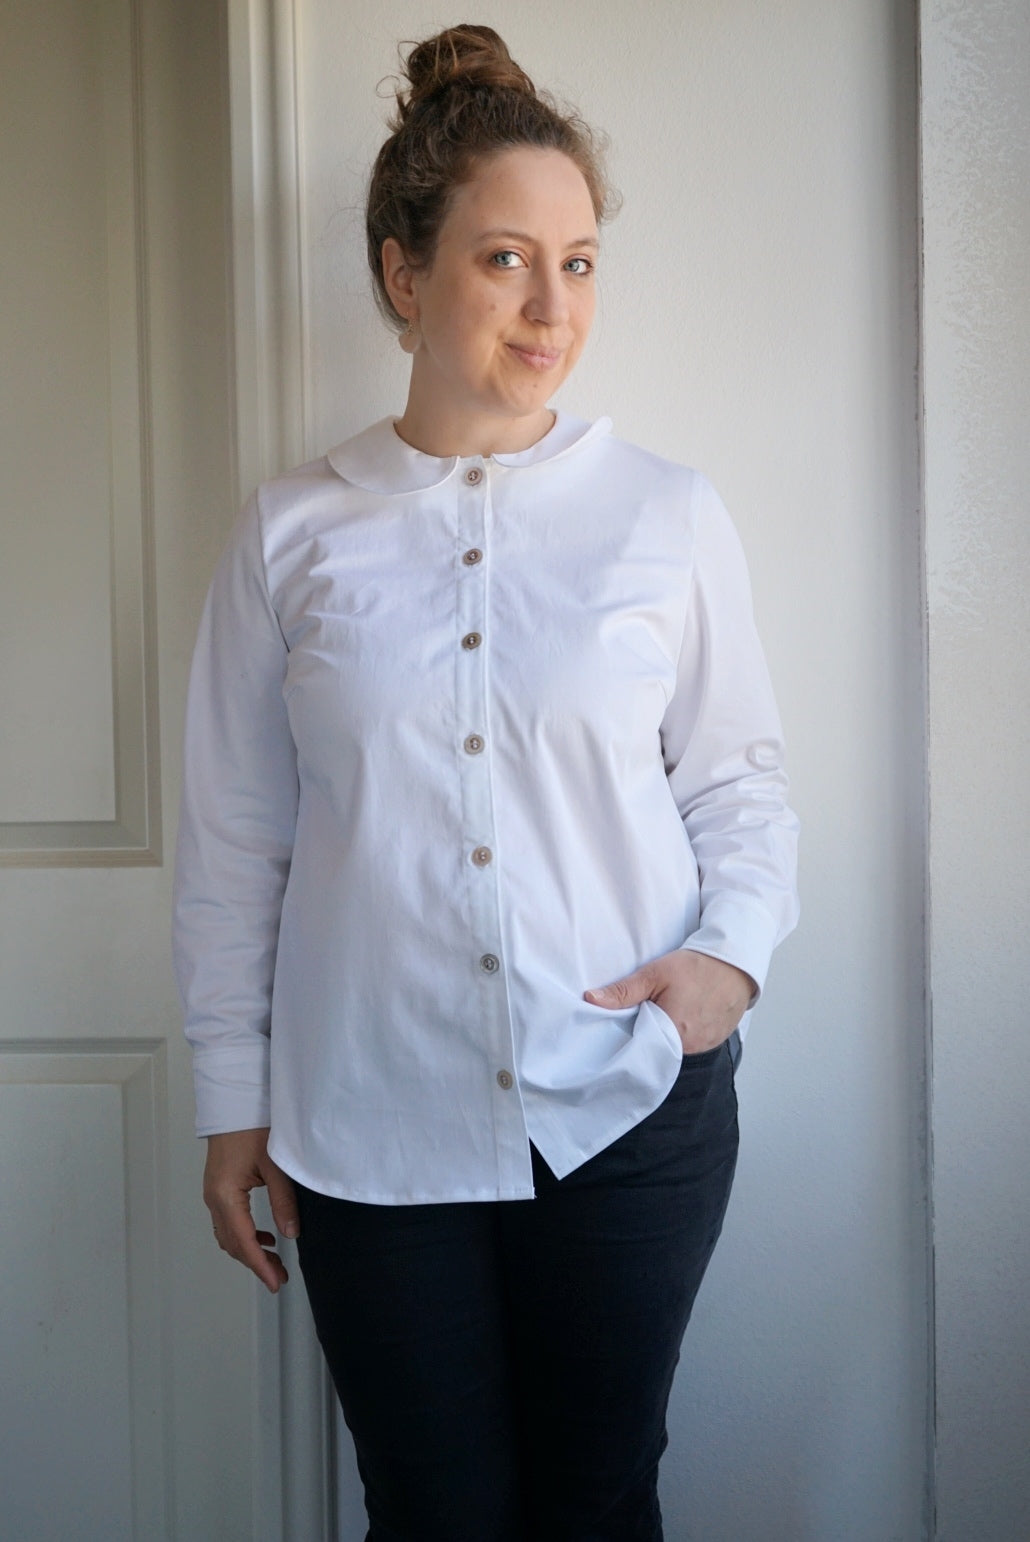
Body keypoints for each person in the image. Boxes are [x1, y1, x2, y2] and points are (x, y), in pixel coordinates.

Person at [173, 23, 799, 1542]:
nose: (551, 306)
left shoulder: (663, 513)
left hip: (624, 1109)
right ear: (404, 274)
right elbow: (236, 839)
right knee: (432, 1514)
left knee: (599, 1505)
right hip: (367, 1127)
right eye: (505, 259)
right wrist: (231, 1099)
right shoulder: (290, 533)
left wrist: (723, 968)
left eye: (578, 264)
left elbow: (740, 782)